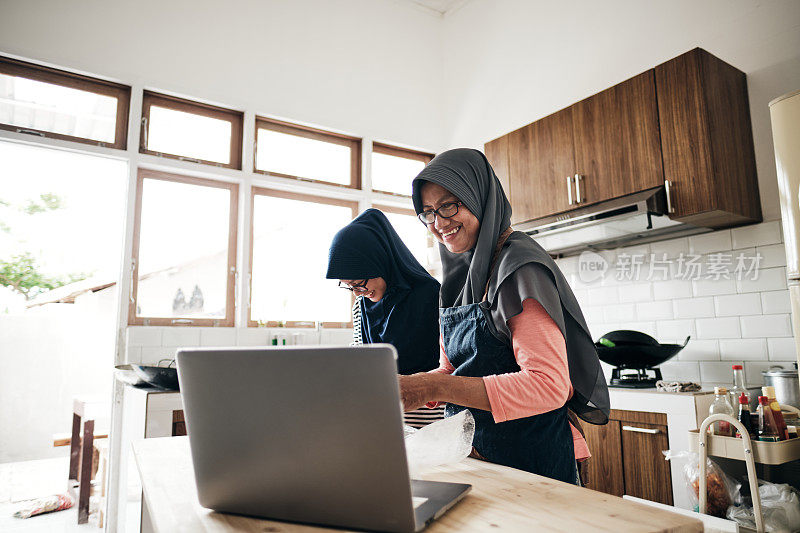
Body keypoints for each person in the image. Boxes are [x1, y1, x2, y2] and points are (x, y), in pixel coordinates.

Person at [399, 148, 610, 484]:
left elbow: (549, 385)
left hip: (532, 464)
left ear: (478, 195)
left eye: (449, 205)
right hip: (478, 458)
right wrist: (406, 388)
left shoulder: (519, 268)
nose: (439, 223)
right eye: (428, 213)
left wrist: (431, 386)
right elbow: (452, 369)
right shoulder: (458, 278)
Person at [326, 208, 444, 427]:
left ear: (378, 262)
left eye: (359, 283)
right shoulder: (361, 307)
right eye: (350, 287)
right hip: (381, 418)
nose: (358, 293)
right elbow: (363, 360)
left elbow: (448, 365)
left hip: (430, 421)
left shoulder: (431, 296)